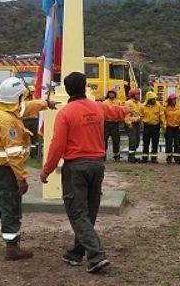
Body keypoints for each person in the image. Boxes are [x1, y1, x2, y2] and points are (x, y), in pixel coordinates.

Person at [41, 72, 131, 273]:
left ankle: (97, 256)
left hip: (76, 167)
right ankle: (75, 253)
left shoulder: (65, 113)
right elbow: (115, 111)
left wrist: (46, 171)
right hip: (97, 165)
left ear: (67, 89)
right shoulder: (98, 107)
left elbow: (57, 146)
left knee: (77, 211)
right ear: (85, 86)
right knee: (89, 211)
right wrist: (127, 109)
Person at [0, 77, 51, 261]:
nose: (23, 99)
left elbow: (24, 108)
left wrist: (45, 104)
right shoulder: (7, 121)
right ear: (16, 97)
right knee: (11, 205)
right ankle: (12, 248)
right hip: (6, 169)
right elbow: (14, 154)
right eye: (21, 96)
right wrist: (21, 178)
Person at [140, 91, 163, 164]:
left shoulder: (158, 105)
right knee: (146, 142)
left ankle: (154, 158)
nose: (154, 100)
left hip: (156, 126)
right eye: (153, 99)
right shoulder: (143, 106)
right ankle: (144, 158)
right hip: (147, 126)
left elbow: (161, 115)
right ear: (149, 99)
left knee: (155, 142)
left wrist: (164, 124)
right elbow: (141, 116)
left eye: (154, 98)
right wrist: (141, 125)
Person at [162, 94, 180, 164]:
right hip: (169, 127)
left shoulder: (179, 108)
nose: (175, 101)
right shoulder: (165, 108)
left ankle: (177, 158)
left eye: (175, 99)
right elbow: (163, 117)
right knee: (169, 143)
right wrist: (164, 126)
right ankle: (169, 157)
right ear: (170, 101)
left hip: (177, 127)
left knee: (177, 143)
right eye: (174, 99)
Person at [102, 88, 123, 161]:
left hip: (115, 123)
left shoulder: (119, 102)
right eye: (110, 93)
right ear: (108, 94)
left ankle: (116, 156)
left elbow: (121, 111)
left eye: (113, 93)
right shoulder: (104, 102)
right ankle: (103, 155)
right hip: (106, 123)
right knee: (104, 140)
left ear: (115, 94)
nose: (111, 94)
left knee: (116, 140)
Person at [124, 88, 142, 163]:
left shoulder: (139, 103)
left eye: (139, 94)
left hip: (137, 124)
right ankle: (131, 158)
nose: (138, 95)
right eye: (137, 94)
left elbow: (140, 114)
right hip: (131, 124)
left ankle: (132, 156)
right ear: (133, 95)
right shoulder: (128, 103)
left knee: (137, 141)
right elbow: (126, 115)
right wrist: (129, 124)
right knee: (133, 141)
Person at [21, 86, 40, 158]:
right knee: (24, 138)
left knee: (34, 138)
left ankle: (34, 154)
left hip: (34, 120)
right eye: (31, 92)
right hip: (25, 120)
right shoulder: (23, 101)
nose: (32, 93)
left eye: (33, 92)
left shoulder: (35, 100)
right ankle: (24, 153)